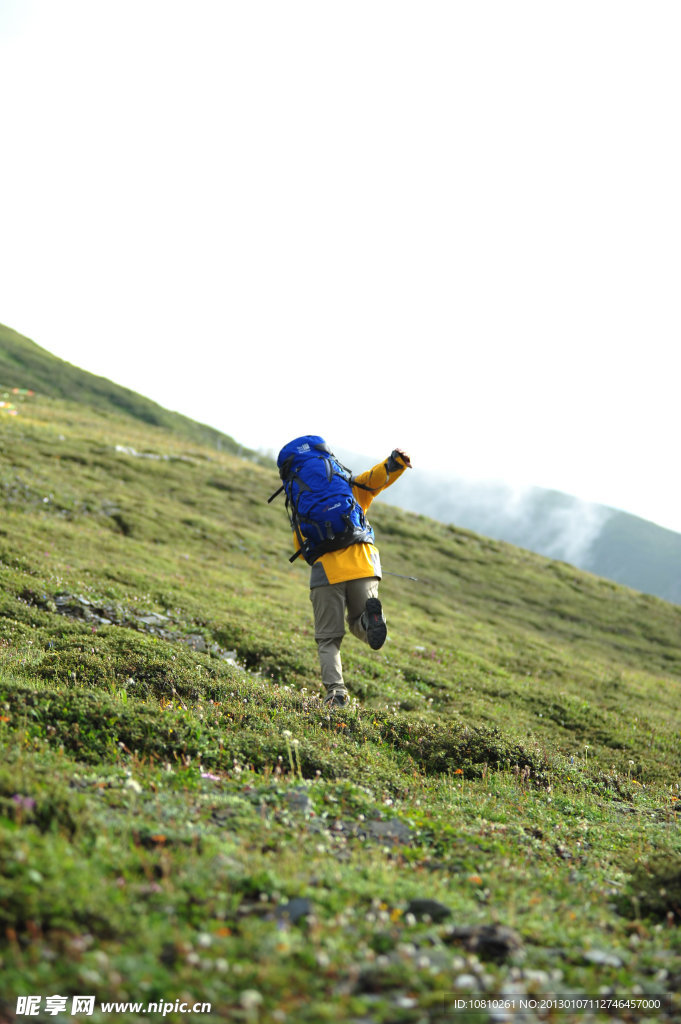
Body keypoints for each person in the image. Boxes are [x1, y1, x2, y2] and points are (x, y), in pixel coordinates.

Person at [298, 446, 412, 707]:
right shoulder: (347, 488)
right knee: (358, 622)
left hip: (328, 572)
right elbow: (374, 479)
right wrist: (396, 463)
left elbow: (303, 551)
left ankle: (336, 693)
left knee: (329, 639)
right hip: (365, 565)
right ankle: (373, 620)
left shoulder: (302, 504)